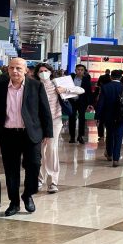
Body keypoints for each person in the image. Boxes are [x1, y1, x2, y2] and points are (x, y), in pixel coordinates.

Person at [0, 58, 53, 216]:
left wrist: (48, 133)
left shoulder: (36, 86)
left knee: (34, 165)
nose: (15, 71)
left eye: (18, 68)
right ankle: (14, 202)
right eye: (12, 68)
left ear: (26, 70)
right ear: (8, 69)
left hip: (30, 133)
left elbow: (45, 110)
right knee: (11, 169)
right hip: (8, 134)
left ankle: (28, 194)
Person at [36, 63, 78, 194]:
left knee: (52, 149)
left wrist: (65, 90)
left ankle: (52, 181)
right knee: (39, 151)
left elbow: (80, 90)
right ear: (37, 73)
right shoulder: (34, 85)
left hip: (55, 120)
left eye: (46, 70)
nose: (43, 73)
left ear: (50, 72)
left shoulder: (56, 83)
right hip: (38, 122)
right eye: (40, 71)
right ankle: (39, 179)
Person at [95, 69, 123, 167]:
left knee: (109, 134)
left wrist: (97, 116)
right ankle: (116, 159)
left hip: (108, 115)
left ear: (111, 77)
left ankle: (109, 154)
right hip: (121, 115)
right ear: (120, 77)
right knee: (119, 136)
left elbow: (101, 102)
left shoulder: (105, 87)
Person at [69, 64, 92, 144]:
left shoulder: (86, 80)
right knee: (72, 119)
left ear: (84, 71)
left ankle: (80, 136)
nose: (80, 71)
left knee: (82, 119)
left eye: (82, 70)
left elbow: (89, 92)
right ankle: (72, 137)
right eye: (78, 69)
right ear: (75, 70)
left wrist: (89, 104)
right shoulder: (71, 78)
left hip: (82, 102)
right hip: (72, 101)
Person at [95, 69, 112, 140]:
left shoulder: (101, 77)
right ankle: (108, 134)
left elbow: (98, 84)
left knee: (101, 120)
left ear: (105, 72)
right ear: (109, 72)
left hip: (102, 97)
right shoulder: (111, 78)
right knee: (109, 120)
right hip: (110, 98)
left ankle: (101, 135)